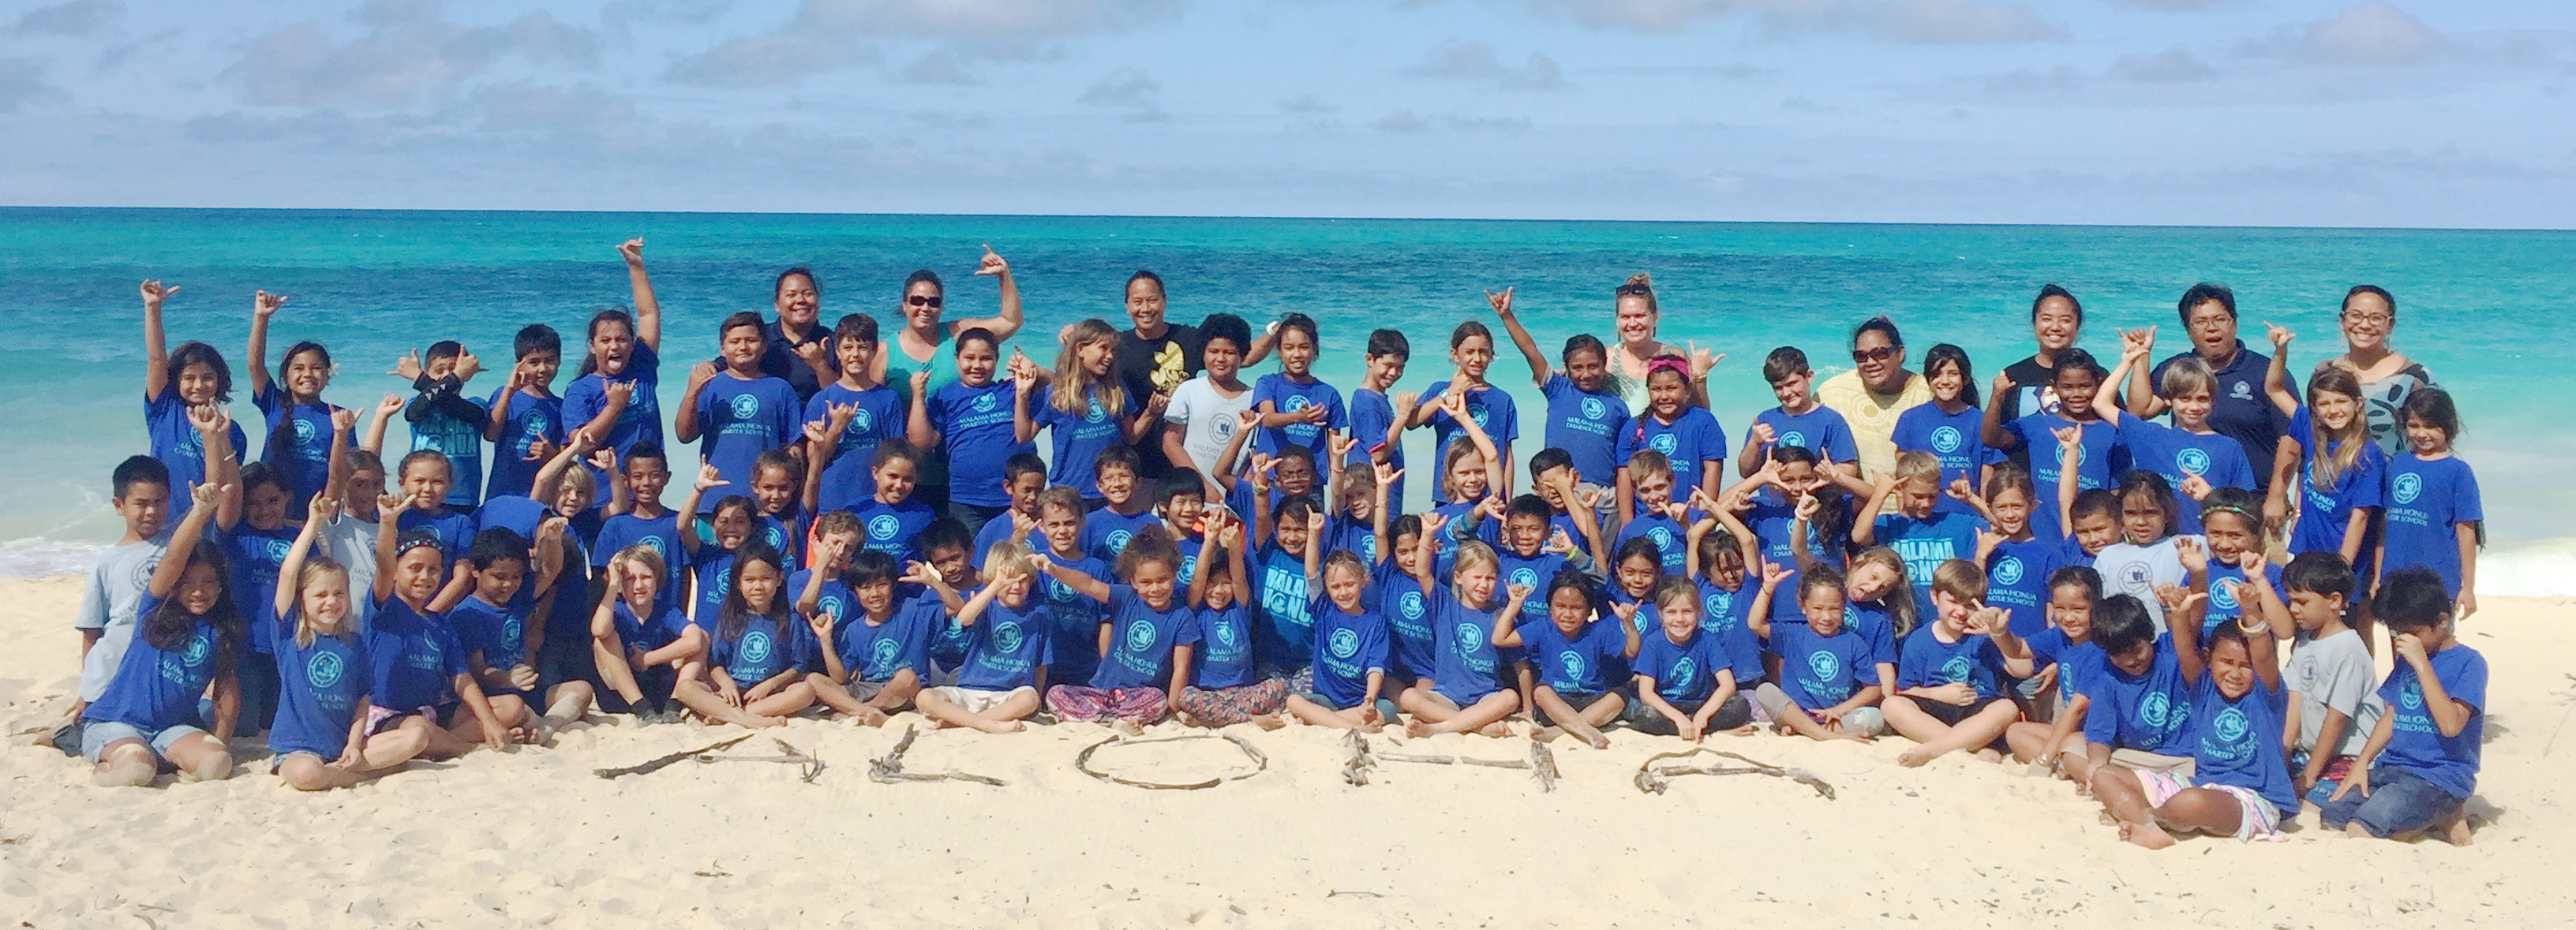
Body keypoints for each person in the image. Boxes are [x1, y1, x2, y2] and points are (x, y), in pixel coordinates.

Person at [2091, 537, 2296, 848]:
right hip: (2201, 783)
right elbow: (2184, 649)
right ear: (2210, 661)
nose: (2235, 672)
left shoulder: (2265, 694)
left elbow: (2264, 656)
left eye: (2245, 666)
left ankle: (2145, 817)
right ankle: (2152, 826)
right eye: (2226, 662)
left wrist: (2251, 611)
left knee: (2190, 803)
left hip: (2253, 799)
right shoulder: (2202, 689)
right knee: (2105, 776)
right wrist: (2177, 614)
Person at [82, 480, 242, 786]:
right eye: (189, 583)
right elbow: (172, 558)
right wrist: (200, 512)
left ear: (221, 586)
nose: (199, 591)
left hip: (173, 729)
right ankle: (105, 764)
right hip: (117, 722)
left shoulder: (223, 628)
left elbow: (227, 693)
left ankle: (160, 756)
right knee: (136, 771)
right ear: (174, 585)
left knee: (216, 765)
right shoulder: (154, 609)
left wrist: (222, 744)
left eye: (209, 582)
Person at [268, 497, 429, 790]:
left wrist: (354, 745)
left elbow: (361, 703)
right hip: (299, 750)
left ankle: (350, 769)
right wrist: (313, 524)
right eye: (320, 595)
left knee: (417, 737)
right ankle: (365, 775)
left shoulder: (354, 643)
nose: (331, 601)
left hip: (343, 748)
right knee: (307, 775)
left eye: (339, 593)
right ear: (302, 598)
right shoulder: (290, 636)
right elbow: (288, 573)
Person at [2320, 567, 2484, 844]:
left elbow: (2451, 725)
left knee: (2363, 829)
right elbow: (2393, 713)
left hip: (2438, 775)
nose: (2402, 639)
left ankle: (2444, 814)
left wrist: (2421, 665)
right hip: (2392, 767)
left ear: (2442, 621)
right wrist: (2361, 763)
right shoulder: (2407, 661)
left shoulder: (2469, 663)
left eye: (2413, 632)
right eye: (2398, 631)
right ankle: (2439, 817)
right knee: (2332, 816)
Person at [879, 249, 1026, 513]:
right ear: (904, 305)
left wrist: (1004, 275)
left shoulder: (958, 334)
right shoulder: (885, 352)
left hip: (960, 478)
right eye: (917, 300)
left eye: (933, 302)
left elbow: (1011, 321)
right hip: (908, 477)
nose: (925, 308)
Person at [2127, 283, 2292, 497]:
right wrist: (2141, 357)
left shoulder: (2265, 371)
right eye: (2201, 322)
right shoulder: (2178, 369)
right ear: (2188, 330)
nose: (2212, 328)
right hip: (2187, 497)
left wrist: (2277, 497)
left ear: (2234, 324)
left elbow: (2290, 437)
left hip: (2253, 499)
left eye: (2220, 319)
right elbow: (2139, 412)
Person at [1106, 272, 1274, 480]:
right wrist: (1073, 334)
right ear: (1127, 305)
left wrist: (1274, 333)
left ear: (1164, 301)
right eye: (1137, 302)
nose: (1146, 309)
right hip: (1136, 454)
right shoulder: (1117, 346)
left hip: (1182, 451)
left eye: (1152, 300)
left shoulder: (1187, 338)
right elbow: (1089, 363)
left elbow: (1240, 356)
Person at [1036, 530, 1201, 729]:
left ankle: (1108, 719)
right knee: (1055, 694)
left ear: (1174, 576)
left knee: (1158, 698)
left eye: (1162, 580)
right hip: (1101, 692)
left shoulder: (1182, 616)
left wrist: (1171, 713)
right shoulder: (1125, 598)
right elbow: (1088, 584)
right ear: (1133, 582)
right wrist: (1054, 570)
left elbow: (1181, 668)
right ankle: (1110, 719)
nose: (1155, 588)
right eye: (1146, 582)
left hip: (1138, 696)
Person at [2097, 332, 2255, 534]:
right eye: (2185, 398)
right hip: (2156, 543)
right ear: (2169, 400)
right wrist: (2129, 361)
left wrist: (2210, 497)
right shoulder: (2150, 435)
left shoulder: (2229, 448)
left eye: (2203, 398)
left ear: (2213, 400)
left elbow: (2246, 508)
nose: (2194, 406)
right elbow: (2101, 403)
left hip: (2206, 544)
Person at [1490, 286, 1628, 507]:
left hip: (1603, 497)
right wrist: (1507, 316)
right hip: (1558, 491)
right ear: (1566, 368)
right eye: (1577, 368)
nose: (1586, 374)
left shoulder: (1618, 406)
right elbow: (1530, 351)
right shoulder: (1558, 389)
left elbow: (1623, 462)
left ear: (1604, 366)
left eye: (1593, 366)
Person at [1884, 562, 2033, 767]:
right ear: (1935, 597)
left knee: (2007, 708)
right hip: (1935, 712)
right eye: (1953, 602)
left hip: (1979, 710)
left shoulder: (1986, 636)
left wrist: (1998, 634)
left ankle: (1935, 748)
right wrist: (1938, 694)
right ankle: (1973, 747)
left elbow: (2023, 670)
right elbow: (1906, 689)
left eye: (1970, 605)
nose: (1961, 612)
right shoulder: (1918, 641)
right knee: (1891, 705)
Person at [2262, 325, 2385, 563]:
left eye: (2341, 402)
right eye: (2325, 404)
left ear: (2358, 404)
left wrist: (2343, 568)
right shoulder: (2309, 428)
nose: (2334, 410)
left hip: (2342, 555)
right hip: (2306, 547)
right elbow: (2274, 389)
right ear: (2315, 409)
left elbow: (2360, 518)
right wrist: (2280, 350)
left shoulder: (2367, 454)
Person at [561, 239, 666, 506]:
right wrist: (614, 407)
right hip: (601, 500)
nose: (614, 346)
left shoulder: (641, 368)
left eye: (621, 339)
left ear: (632, 344)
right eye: (605, 341)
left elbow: (649, 314)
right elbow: (581, 445)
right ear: (592, 347)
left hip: (647, 493)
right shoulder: (581, 389)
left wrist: (635, 266)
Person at [1395, 530, 1526, 738]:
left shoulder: (1499, 614)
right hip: (1446, 696)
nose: (1483, 584)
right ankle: (1477, 725)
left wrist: (1514, 606)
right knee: (1409, 697)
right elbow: (1422, 571)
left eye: (1490, 578)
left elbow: (1520, 662)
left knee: (1510, 698)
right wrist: (1428, 534)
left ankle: (1439, 727)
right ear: (1458, 577)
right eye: (1477, 577)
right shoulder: (1444, 604)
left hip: (1485, 697)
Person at [138, 279, 248, 524]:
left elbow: (226, 490)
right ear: (176, 380)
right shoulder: (165, 409)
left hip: (203, 529)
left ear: (220, 381)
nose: (198, 385)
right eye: (189, 378)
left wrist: (218, 437)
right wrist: (153, 308)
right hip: (159, 524)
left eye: (207, 377)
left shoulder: (233, 432)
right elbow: (157, 359)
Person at [2280, 552, 2383, 806]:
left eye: (2302, 602)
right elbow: (2294, 704)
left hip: (2350, 754)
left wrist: (2308, 778)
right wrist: (2282, 761)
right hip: (2309, 752)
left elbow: (2337, 719)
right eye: (2291, 601)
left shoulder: (2348, 648)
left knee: (2321, 805)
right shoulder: (2304, 642)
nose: (2294, 609)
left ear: (2334, 601)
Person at [915, 540, 1050, 733]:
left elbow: (1041, 664)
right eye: (1009, 581)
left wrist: (1036, 701)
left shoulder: (1040, 614)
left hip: (1010, 694)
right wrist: (995, 585)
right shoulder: (986, 606)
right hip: (970, 690)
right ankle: (984, 723)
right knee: (925, 697)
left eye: (1022, 580)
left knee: (1029, 699)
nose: (1016, 587)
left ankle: (963, 722)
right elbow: (963, 618)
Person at [673, 542, 811, 728]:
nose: (758, 586)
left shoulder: (790, 619)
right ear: (738, 583)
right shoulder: (729, 618)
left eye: (765, 579)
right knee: (685, 687)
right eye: (749, 580)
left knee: (806, 691)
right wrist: (726, 684)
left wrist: (770, 685)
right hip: (731, 692)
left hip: (769, 695)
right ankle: (745, 718)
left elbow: (797, 666)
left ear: (779, 579)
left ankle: (730, 715)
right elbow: (716, 664)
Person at [1983, 348, 2114, 543]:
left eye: (2085, 386)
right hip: (2040, 538)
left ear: (2098, 384)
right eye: (2068, 387)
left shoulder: (2111, 433)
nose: (2077, 394)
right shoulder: (2035, 424)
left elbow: (2115, 493)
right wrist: (1996, 399)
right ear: (2054, 386)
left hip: (2090, 541)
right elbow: (1990, 438)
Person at [2065, 594, 2194, 791]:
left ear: (2149, 634)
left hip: (2186, 760)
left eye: (2136, 650)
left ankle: (2135, 790)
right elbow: (2100, 735)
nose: (2130, 661)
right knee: (2071, 753)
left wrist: (2196, 577)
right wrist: (2096, 767)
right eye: (2118, 654)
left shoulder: (2170, 651)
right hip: (2140, 760)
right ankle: (2136, 789)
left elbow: (2192, 626)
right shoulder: (2107, 679)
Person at [1497, 570, 1636, 749]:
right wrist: (1514, 605)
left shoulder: (1598, 631)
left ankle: (1560, 731)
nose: (1568, 614)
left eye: (1576, 608)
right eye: (1560, 606)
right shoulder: (1543, 627)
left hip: (1591, 700)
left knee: (1620, 695)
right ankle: (1587, 730)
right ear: (1550, 608)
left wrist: (1629, 623)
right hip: (1556, 703)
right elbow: (1500, 639)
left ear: (1588, 611)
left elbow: (1632, 651)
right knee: (1540, 691)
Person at [677, 312, 802, 512]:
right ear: (723, 349)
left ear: (764, 346)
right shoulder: (710, 385)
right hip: (715, 500)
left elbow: (793, 448)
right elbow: (684, 435)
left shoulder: (781, 389)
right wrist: (692, 392)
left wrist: (793, 497)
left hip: (766, 503)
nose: (743, 347)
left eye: (751, 340)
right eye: (735, 341)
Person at [1174, 514, 1288, 728]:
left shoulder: (1239, 608)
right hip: (1207, 692)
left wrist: (1235, 550)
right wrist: (1209, 541)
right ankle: (1250, 720)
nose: (1219, 591)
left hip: (1242, 692)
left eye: (1224, 584)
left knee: (1279, 685)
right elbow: (1198, 580)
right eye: (1213, 584)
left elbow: (1239, 579)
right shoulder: (1196, 611)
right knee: (1187, 697)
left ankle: (1219, 718)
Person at [908, 327, 1026, 532]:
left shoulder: (1012, 390)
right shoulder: (945, 396)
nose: (977, 365)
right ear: (957, 360)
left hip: (1014, 497)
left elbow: (1059, 388)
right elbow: (922, 444)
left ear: (997, 359)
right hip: (966, 500)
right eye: (969, 358)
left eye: (986, 358)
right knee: (968, 561)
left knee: (1014, 560)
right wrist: (918, 396)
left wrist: (1033, 370)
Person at [1747, 566, 1883, 742]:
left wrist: (1839, 710)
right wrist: (1768, 588)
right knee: (1764, 691)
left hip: (1834, 717)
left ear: (1844, 608)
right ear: (1803, 607)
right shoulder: (1792, 634)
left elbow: (1874, 689)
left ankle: (1806, 730)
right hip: (1796, 712)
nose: (1826, 617)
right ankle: (1822, 733)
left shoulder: (1854, 643)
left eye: (1834, 609)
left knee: (1875, 718)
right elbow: (1755, 624)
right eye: (1818, 609)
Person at [2377, 388, 2481, 618]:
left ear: (2448, 427)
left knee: (2433, 646)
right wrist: (2377, 576)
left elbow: (2466, 532)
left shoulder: (2458, 472)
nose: (2422, 433)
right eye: (2414, 425)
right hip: (2394, 578)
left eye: (2431, 426)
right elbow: (2384, 526)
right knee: (2401, 646)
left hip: (2438, 582)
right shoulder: (2396, 464)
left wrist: (2469, 588)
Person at [1020, 319, 1147, 505]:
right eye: (1103, 348)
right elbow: (1024, 436)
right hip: (1069, 490)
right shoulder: (1055, 393)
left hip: (1110, 490)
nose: (1110, 356)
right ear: (1080, 350)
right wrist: (1021, 395)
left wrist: (1151, 412)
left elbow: (1131, 437)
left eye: (1112, 350)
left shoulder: (1115, 389)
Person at [1852, 450, 1988, 622]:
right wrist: (1880, 494)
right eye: (1918, 496)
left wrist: (1972, 500)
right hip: (1902, 624)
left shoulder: (1956, 524)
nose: (1926, 503)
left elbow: (2000, 528)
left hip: (1949, 623)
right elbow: (1858, 536)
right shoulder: (1888, 524)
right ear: (1900, 489)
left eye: (1932, 496)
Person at [805, 547, 934, 725]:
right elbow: (840, 678)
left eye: (881, 585)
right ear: (856, 592)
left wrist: (932, 581)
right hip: (868, 688)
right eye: (865, 588)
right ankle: (866, 711)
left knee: (907, 677)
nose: (875, 594)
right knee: (814, 679)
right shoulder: (853, 629)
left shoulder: (913, 609)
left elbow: (954, 607)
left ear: (893, 585)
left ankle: (867, 710)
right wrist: (825, 639)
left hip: (904, 693)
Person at [246, 289, 346, 516]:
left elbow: (343, 473)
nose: (308, 374)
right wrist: (261, 318)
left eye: (316, 368)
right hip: (269, 514)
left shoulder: (338, 416)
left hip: (314, 516)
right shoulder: (274, 403)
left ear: (328, 374)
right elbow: (255, 364)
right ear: (286, 375)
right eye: (298, 369)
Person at [1627, 573, 1756, 741]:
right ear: (1661, 614)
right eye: (1671, 612)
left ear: (1698, 612)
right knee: (1643, 715)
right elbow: (1646, 693)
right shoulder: (1653, 643)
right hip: (1666, 706)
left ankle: (1694, 727)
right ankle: (1704, 730)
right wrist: (1678, 717)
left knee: (1740, 706)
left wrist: (1703, 714)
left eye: (1687, 612)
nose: (1679, 619)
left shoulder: (1706, 639)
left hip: (1698, 703)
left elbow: (1728, 684)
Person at [1284, 541, 1395, 732]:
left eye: (1350, 584)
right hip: (1325, 698)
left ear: (1363, 580)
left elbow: (1376, 667)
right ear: (1326, 587)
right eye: (1335, 587)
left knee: (1389, 708)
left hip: (1358, 702)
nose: (1343, 592)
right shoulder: (1323, 609)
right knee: (1293, 700)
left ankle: (1324, 721)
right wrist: (1313, 534)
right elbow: (1310, 573)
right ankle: (1353, 727)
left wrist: (1369, 700)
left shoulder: (1376, 622)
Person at [803, 314, 908, 514]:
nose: (855, 355)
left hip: (875, 500)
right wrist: (836, 428)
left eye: (862, 348)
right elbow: (815, 460)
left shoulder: (888, 399)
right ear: (838, 352)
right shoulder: (821, 400)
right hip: (833, 501)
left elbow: (895, 455)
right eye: (848, 348)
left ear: (874, 351)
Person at [2315, 285, 2435, 457]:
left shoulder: (2414, 378)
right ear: (2342, 321)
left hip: (2394, 479)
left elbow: (2437, 439)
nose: (2365, 325)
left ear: (2390, 325)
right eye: (2356, 315)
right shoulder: (2325, 372)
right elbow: (2310, 433)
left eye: (2376, 318)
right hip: (2335, 480)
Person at [1413, 321, 1521, 503]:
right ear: (1455, 355)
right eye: (1470, 352)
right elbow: (1412, 422)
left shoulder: (1503, 400)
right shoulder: (1440, 390)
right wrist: (1450, 392)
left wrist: (1506, 501)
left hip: (1488, 496)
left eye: (1484, 352)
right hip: (1449, 495)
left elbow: (1506, 454)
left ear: (1491, 355)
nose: (1477, 359)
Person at [589, 544, 702, 716]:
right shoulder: (617, 610)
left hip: (656, 685)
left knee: (703, 637)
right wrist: (612, 584)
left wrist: (646, 659)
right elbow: (599, 630)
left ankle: (676, 701)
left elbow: (696, 639)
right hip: (621, 693)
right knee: (604, 640)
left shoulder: (664, 610)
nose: (639, 585)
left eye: (646, 577)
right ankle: (639, 705)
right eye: (630, 579)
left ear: (657, 580)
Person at [1616, 357, 1726, 530]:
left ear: (1687, 389)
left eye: (1672, 388)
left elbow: (1713, 469)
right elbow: (1624, 477)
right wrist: (1628, 523)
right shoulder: (1633, 427)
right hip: (1645, 518)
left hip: (1690, 518)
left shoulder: (1703, 421)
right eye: (1656, 390)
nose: (1664, 396)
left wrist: (1705, 517)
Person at [1818, 316, 1931, 483]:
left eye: (1880, 353)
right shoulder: (1833, 391)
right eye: (1861, 356)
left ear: (1900, 353)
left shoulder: (1928, 393)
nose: (1870, 362)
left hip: (1917, 505)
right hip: (1855, 505)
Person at [1891, 343, 2000, 516]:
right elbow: (1902, 477)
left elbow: (1987, 479)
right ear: (1928, 379)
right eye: (1937, 374)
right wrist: (1904, 517)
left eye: (1953, 374)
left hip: (1967, 517)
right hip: (1922, 516)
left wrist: (1987, 518)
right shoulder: (1910, 419)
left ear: (1965, 379)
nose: (1945, 381)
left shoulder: (1982, 421)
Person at [1161, 312, 1258, 499]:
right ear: (1203, 354)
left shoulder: (1254, 398)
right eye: (1213, 351)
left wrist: (1242, 489)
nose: (1221, 359)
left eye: (1229, 353)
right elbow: (1170, 442)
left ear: (1243, 356)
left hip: (1235, 496)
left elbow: (1256, 454)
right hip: (1192, 495)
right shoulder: (1188, 390)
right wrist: (1202, 487)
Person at [396, 340, 488, 514]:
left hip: (463, 500)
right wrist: (457, 376)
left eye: (453, 369)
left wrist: (420, 379)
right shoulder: (416, 403)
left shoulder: (477, 405)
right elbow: (414, 413)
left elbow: (455, 406)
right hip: (421, 496)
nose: (446, 375)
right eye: (439, 371)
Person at [1739, 347, 1857, 479]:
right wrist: (1754, 443)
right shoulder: (1765, 420)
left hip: (1817, 497)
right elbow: (1745, 472)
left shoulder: (1831, 420)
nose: (1786, 393)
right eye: (1778, 388)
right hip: (1772, 498)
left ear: (1809, 377)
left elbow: (1849, 469)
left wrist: (1808, 476)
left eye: (1792, 384)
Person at [1248, 312, 1345, 463]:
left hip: (1311, 480)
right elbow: (1267, 419)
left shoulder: (1329, 394)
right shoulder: (1268, 383)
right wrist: (1298, 417)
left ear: (1314, 349)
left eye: (1304, 347)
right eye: (1289, 347)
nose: (1297, 354)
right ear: (1279, 351)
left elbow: (1334, 453)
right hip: (1271, 476)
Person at [484, 324, 566, 502]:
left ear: (559, 361)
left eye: (550, 360)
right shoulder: (504, 395)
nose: (543, 369)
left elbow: (565, 457)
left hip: (540, 496)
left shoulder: (560, 406)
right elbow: (491, 434)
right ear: (519, 365)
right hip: (502, 493)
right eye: (534, 362)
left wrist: (549, 454)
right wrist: (509, 390)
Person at [1345, 328, 1413, 511]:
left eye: (1400, 368)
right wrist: (1403, 415)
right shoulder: (1368, 401)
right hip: (1372, 496)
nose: (1393, 373)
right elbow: (1379, 454)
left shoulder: (1377, 398)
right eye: (1388, 365)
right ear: (1369, 360)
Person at [1998, 284, 2084, 424]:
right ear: (2034, 323)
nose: (2055, 327)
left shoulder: (2094, 375)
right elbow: (1997, 436)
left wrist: (2132, 362)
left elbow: (2124, 425)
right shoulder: (2013, 376)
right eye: (2047, 319)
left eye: (2065, 320)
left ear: (2077, 326)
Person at [847, 441, 938, 564]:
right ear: (875, 473)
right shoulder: (855, 511)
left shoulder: (924, 515)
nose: (899, 485)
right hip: (862, 582)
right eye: (893, 476)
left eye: (907, 479)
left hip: (905, 583)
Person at [758, 266, 837, 403]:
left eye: (807, 294)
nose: (800, 300)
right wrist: (709, 368)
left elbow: (844, 397)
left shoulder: (834, 342)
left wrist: (820, 365)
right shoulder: (759, 338)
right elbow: (730, 366)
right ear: (777, 305)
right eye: (791, 295)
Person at [1605, 274, 1677, 413]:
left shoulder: (1672, 357)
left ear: (1655, 317)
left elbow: (1698, 414)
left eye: (1639, 316)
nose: (1632, 324)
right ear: (1617, 320)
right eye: (1625, 317)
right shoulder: (1605, 358)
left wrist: (1700, 377)